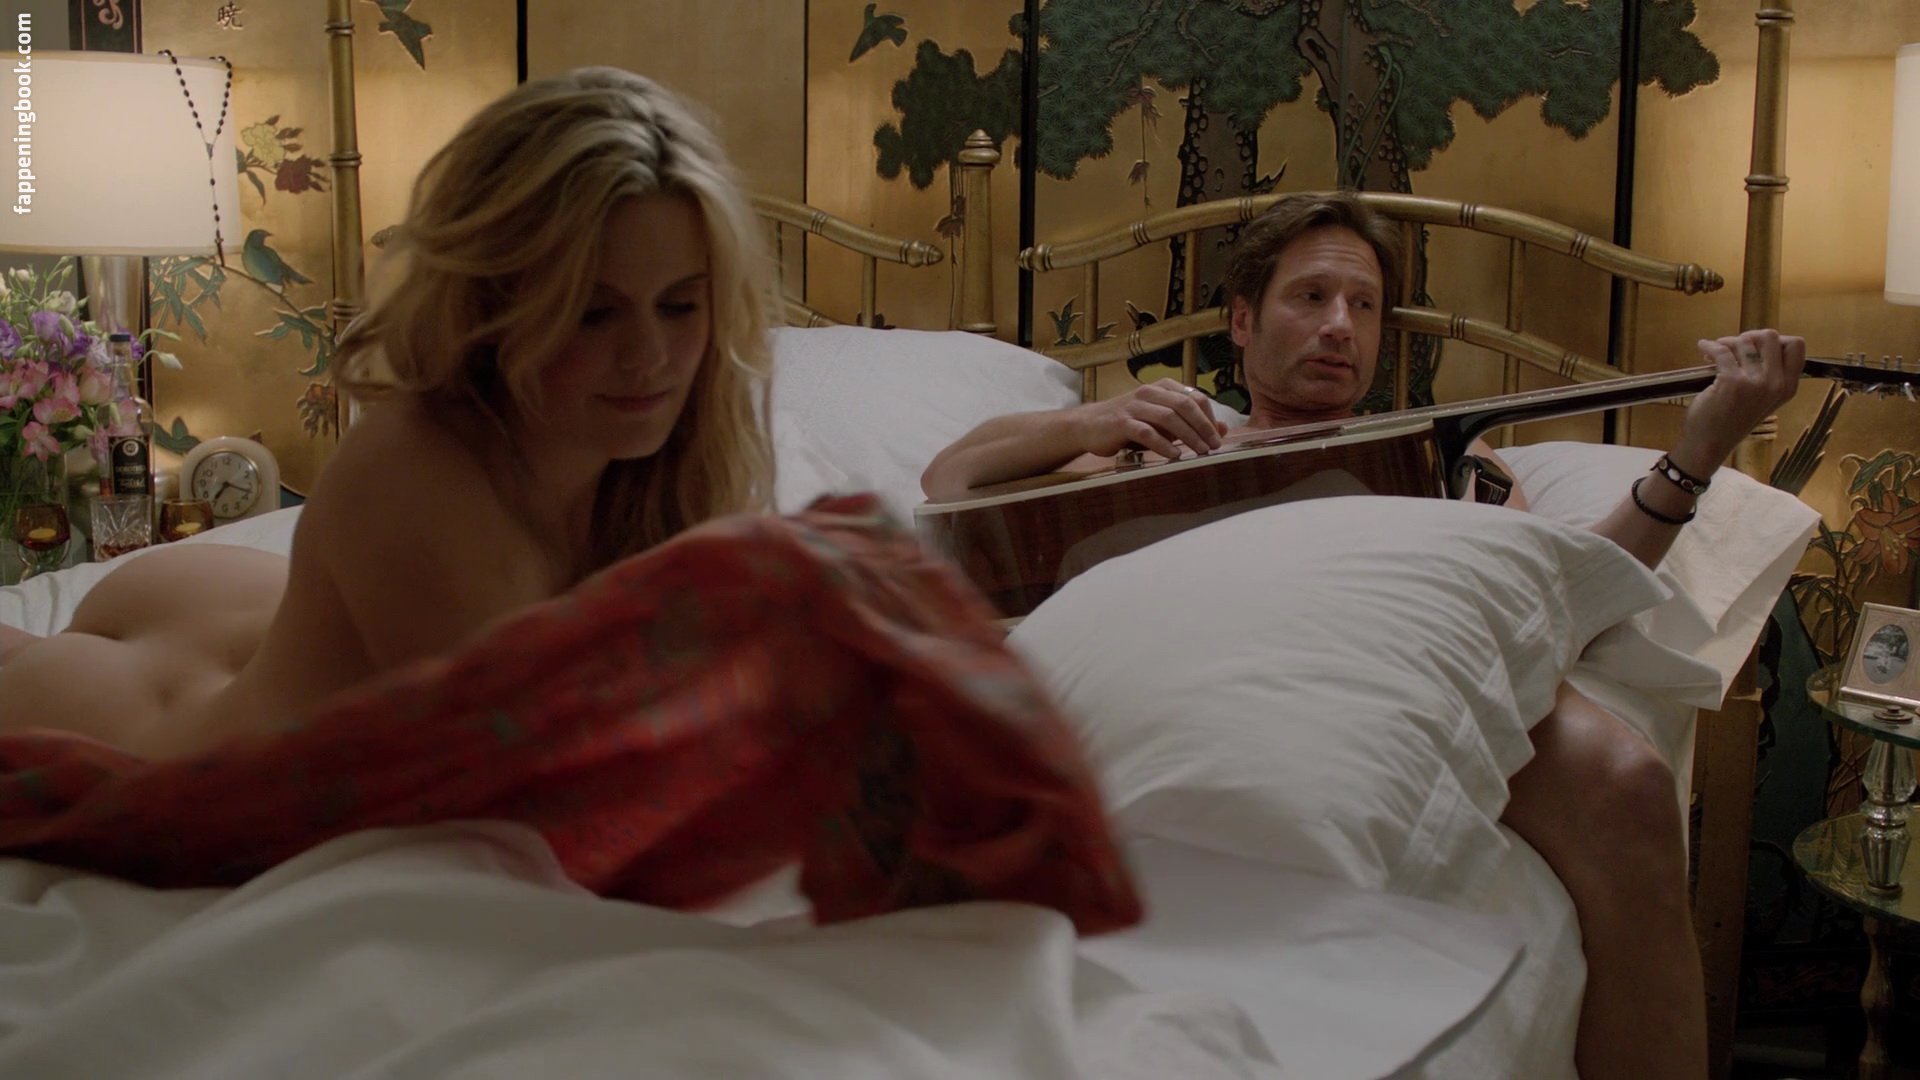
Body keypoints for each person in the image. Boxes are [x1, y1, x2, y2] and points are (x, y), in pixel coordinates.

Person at [922, 191, 1807, 1080]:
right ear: (1242, 320)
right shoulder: (1165, 448)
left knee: (1629, 780)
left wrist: (1695, 455)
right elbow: (950, 479)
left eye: (1364, 305)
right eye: (1310, 297)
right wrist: (1090, 420)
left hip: (1392, 665)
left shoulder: (1448, 462)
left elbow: (1569, 592)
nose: (1340, 326)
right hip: (1191, 664)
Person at [0, 67, 776, 762]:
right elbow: (558, 779)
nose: (649, 356)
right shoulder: (416, 476)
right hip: (157, 714)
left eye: (681, 305)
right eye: (594, 314)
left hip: (240, 617)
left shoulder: (682, 457)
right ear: (495, 301)